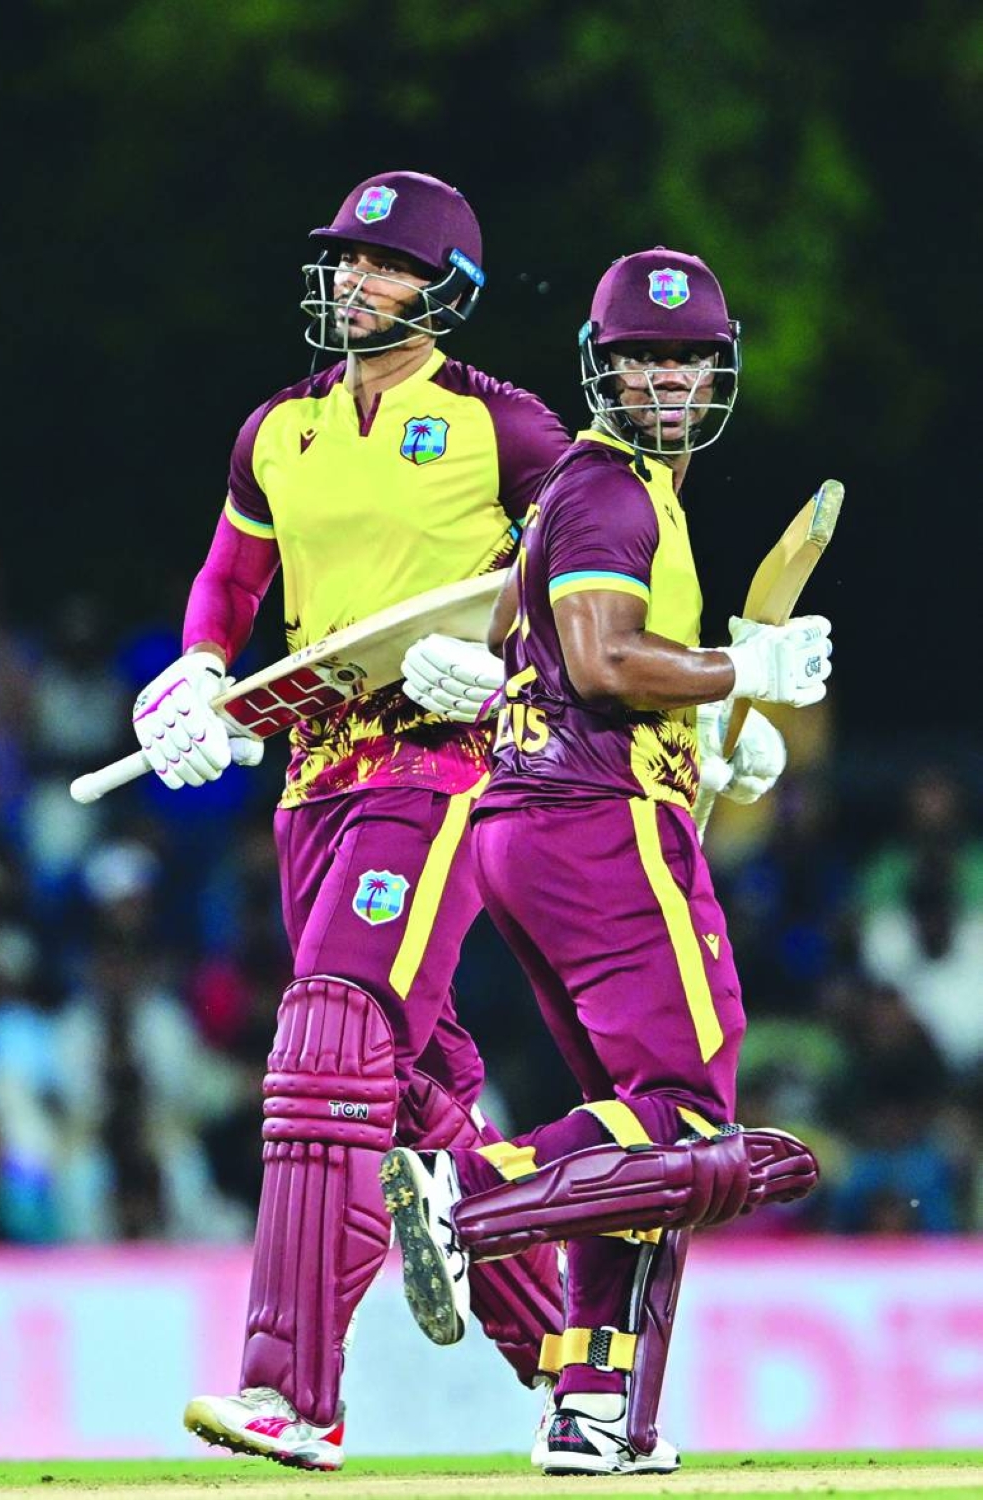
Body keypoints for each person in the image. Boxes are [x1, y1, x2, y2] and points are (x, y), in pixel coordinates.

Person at [130, 171, 572, 1470]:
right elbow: (229, 581)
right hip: (315, 775)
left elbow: (591, 569)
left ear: (446, 290)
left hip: (443, 767)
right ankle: (581, 1368)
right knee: (423, 1098)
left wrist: (512, 658)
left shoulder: (510, 427)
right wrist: (203, 674)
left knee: (327, 1041)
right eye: (340, 262)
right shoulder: (277, 431)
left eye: (377, 265)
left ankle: (295, 1391)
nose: (348, 283)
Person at [381, 247, 828, 1475]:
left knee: (634, 1145)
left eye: (688, 358)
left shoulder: (611, 495)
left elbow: (589, 669)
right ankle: (465, 1193)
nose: (668, 379)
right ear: (602, 364)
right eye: (645, 356)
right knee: (686, 1119)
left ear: (716, 368)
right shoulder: (607, 490)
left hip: (543, 822)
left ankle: (594, 1408)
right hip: (600, 826)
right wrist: (751, 672)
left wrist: (713, 748)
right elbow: (599, 658)